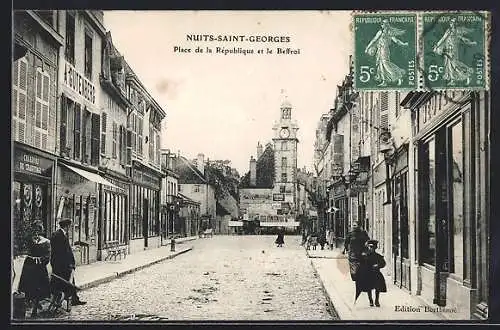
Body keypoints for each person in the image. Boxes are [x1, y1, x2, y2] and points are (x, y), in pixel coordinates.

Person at [50, 218, 86, 309]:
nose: (70, 228)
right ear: (66, 226)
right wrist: (69, 264)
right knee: (67, 282)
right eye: (69, 226)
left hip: (61, 264)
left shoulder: (60, 234)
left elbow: (64, 249)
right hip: (61, 264)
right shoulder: (59, 235)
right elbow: (60, 252)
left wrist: (72, 248)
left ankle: (73, 299)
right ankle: (70, 299)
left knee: (70, 281)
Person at [17, 221, 51, 317]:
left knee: (38, 290)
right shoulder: (30, 241)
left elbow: (47, 257)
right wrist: (28, 256)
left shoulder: (46, 242)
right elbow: (26, 252)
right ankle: (31, 304)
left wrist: (39, 259)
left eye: (38, 230)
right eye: (34, 231)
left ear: (41, 231)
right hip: (29, 269)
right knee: (28, 289)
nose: (36, 233)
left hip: (39, 270)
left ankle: (35, 309)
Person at [432, 18, 476, 86]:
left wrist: (471, 42)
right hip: (448, 49)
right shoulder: (449, 31)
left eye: (454, 23)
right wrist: (437, 45)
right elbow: (443, 38)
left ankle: (467, 75)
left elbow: (462, 39)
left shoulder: (457, 30)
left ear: (456, 24)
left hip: (453, 50)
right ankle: (453, 79)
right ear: (450, 24)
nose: (452, 24)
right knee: (450, 64)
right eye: (452, 23)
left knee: (454, 64)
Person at [365, 19, 409, 87]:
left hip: (385, 50)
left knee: (385, 64)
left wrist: (403, 44)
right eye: (382, 24)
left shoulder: (389, 33)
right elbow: (374, 40)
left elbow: (396, 41)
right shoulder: (380, 32)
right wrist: (368, 47)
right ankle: (384, 81)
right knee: (381, 65)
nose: (382, 25)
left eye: (383, 24)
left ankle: (399, 76)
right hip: (380, 50)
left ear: (386, 25)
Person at [355, 240, 387, 307]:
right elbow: (360, 262)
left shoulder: (378, 256)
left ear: (375, 248)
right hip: (368, 274)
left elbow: (383, 263)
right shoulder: (365, 256)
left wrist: (378, 265)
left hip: (376, 274)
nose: (371, 248)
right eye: (370, 247)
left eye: (372, 247)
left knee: (377, 287)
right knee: (368, 288)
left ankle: (377, 300)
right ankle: (371, 300)